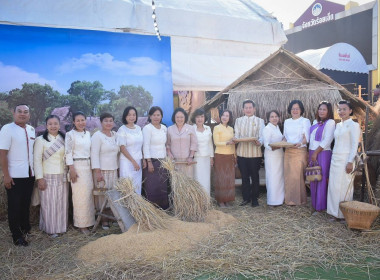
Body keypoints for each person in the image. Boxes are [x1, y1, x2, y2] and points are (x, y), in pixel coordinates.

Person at [0, 104, 35, 246]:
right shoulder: (7, 129)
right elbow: (2, 154)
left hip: (29, 174)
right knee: (14, 206)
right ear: (13, 113)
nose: (22, 114)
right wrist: (6, 175)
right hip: (14, 175)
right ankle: (17, 235)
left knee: (26, 204)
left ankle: (25, 228)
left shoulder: (32, 130)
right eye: (19, 111)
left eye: (25, 112)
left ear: (29, 115)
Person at [34, 115, 68, 238]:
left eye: (55, 123)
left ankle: (60, 227)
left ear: (59, 125)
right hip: (47, 176)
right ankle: (50, 229)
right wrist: (39, 178)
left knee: (61, 203)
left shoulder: (64, 138)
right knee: (48, 204)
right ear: (46, 125)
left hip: (62, 175)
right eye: (50, 124)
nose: (53, 126)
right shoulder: (40, 140)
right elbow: (37, 160)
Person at [327, 100, 360, 220]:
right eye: (339, 109)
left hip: (346, 159)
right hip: (335, 158)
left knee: (345, 186)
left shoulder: (354, 125)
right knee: (334, 186)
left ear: (350, 111)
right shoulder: (338, 125)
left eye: (344, 109)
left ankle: (343, 214)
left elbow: (354, 145)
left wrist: (350, 161)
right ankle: (333, 212)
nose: (341, 111)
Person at [65, 111, 95, 234]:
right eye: (78, 120)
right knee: (79, 197)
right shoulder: (70, 134)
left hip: (88, 166)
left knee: (88, 195)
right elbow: (68, 152)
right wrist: (72, 169)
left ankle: (90, 222)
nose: (81, 122)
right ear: (73, 122)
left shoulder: (88, 134)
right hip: (76, 167)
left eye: (83, 120)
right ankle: (81, 225)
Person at [233, 100, 265, 207]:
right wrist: (235, 139)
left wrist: (259, 142)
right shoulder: (238, 121)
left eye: (250, 107)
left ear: (254, 109)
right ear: (243, 109)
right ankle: (246, 198)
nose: (248, 109)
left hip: (255, 153)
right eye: (246, 108)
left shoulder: (260, 121)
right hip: (242, 153)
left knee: (255, 176)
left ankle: (254, 199)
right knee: (244, 177)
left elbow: (261, 136)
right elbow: (236, 135)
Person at [91, 112, 119, 230]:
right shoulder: (97, 136)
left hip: (113, 170)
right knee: (103, 196)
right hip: (102, 171)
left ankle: (112, 217)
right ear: (101, 122)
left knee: (113, 195)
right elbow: (94, 154)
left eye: (111, 120)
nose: (108, 123)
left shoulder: (115, 134)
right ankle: (104, 220)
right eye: (106, 121)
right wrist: (98, 172)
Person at [283, 100, 311, 206]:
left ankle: (300, 201)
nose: (295, 110)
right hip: (288, 151)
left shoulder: (305, 121)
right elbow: (285, 136)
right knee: (288, 176)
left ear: (301, 110)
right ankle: (289, 200)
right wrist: (280, 143)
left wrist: (300, 143)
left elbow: (306, 138)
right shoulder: (287, 121)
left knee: (298, 177)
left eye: (297, 108)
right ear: (290, 110)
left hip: (299, 151)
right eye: (293, 108)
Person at [309, 101, 335, 212]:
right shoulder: (315, 121)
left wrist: (315, 153)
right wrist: (309, 152)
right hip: (312, 152)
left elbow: (327, 140)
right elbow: (311, 140)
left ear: (328, 111)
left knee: (322, 179)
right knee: (313, 177)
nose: (321, 111)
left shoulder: (330, 122)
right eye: (320, 109)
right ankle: (314, 205)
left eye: (324, 109)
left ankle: (321, 206)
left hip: (322, 154)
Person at [143, 106, 169, 209]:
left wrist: (167, 159)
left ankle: (163, 210)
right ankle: (153, 210)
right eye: (154, 115)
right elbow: (145, 145)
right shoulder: (147, 128)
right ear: (150, 116)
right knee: (152, 187)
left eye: (158, 115)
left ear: (161, 116)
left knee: (162, 186)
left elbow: (165, 145)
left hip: (163, 161)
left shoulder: (164, 128)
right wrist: (149, 162)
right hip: (152, 162)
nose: (156, 117)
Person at [117, 107, 144, 194]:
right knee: (128, 187)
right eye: (129, 115)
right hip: (127, 162)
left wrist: (142, 160)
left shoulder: (139, 128)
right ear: (125, 116)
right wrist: (133, 161)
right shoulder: (122, 129)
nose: (132, 117)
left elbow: (141, 145)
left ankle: (136, 207)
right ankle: (127, 207)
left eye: (134, 115)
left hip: (138, 161)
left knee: (137, 186)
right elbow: (122, 148)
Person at [213, 110, 236, 207]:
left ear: (230, 118)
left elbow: (234, 143)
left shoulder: (231, 128)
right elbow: (216, 143)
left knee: (229, 178)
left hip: (230, 155)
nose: (225, 117)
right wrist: (227, 143)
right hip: (220, 155)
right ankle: (221, 200)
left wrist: (235, 156)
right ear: (220, 116)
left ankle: (227, 199)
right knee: (221, 178)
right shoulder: (216, 128)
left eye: (227, 116)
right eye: (223, 115)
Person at [166, 108, 197, 178]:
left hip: (187, 161)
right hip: (174, 161)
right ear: (174, 118)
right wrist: (169, 154)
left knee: (187, 182)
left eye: (181, 117)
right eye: (177, 117)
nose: (179, 119)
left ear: (185, 117)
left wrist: (191, 157)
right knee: (176, 183)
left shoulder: (190, 128)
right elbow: (168, 144)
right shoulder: (170, 129)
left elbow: (194, 143)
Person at [262, 110, 284, 206]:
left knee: (279, 178)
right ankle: (272, 201)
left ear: (279, 118)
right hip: (271, 155)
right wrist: (274, 147)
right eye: (272, 116)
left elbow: (281, 139)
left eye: (276, 116)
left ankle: (279, 199)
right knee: (272, 178)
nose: (274, 118)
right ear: (268, 119)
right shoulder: (267, 128)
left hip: (279, 155)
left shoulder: (277, 127)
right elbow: (266, 143)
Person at [191, 109, 214, 195]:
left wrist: (211, 157)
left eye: (202, 117)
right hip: (196, 158)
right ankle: (198, 201)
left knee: (206, 179)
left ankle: (206, 201)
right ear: (194, 118)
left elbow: (210, 144)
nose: (200, 119)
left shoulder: (208, 128)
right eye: (197, 117)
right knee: (197, 179)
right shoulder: (191, 129)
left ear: (205, 118)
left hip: (206, 158)